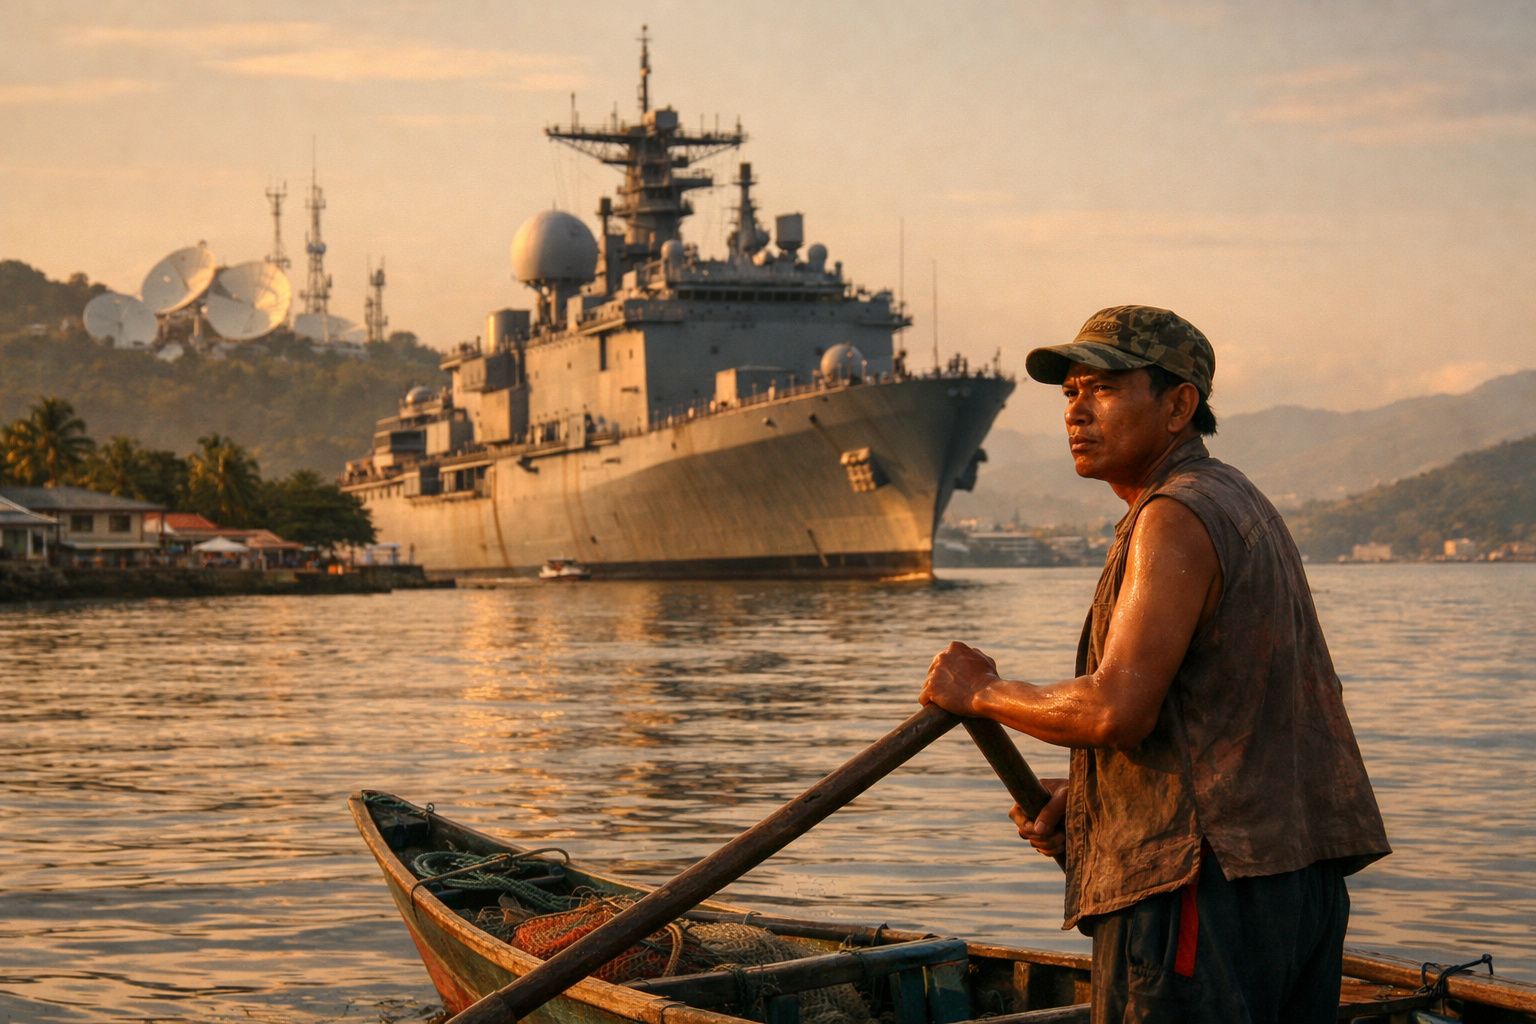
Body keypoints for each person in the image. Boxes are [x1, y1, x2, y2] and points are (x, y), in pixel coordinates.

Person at [921, 305, 1390, 1024]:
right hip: (1294, 887)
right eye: (1070, 391)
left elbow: (1115, 709)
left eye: (1104, 389)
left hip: (1199, 893)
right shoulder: (1239, 501)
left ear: (1179, 406)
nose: (1077, 411)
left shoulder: (1174, 516)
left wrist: (982, 692)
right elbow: (1218, 722)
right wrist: (1092, 798)